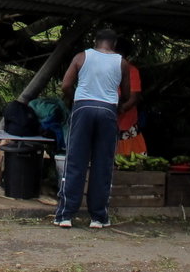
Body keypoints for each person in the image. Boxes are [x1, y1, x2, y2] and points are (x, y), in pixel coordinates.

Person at [54, 27, 131, 229]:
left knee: (75, 161)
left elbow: (65, 85)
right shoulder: (121, 62)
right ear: (114, 44)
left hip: (83, 107)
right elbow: (127, 93)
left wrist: (75, 99)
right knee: (102, 164)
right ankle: (98, 217)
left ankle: (65, 215)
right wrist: (118, 102)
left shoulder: (82, 56)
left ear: (95, 42)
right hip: (108, 111)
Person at [115, 38, 147, 156]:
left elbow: (133, 99)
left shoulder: (131, 71)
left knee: (130, 161)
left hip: (126, 124)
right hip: (107, 122)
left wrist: (118, 110)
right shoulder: (105, 69)